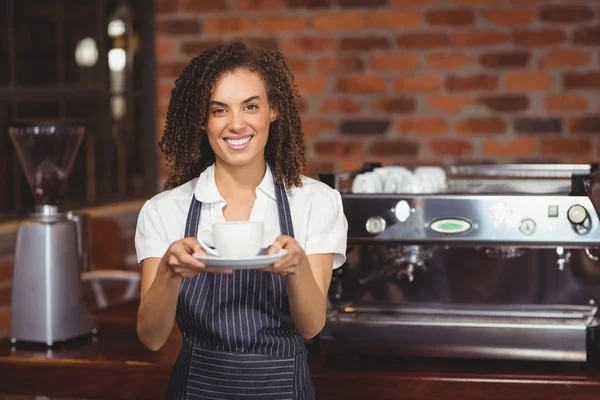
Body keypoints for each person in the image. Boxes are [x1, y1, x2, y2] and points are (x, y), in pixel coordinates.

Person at [134, 41, 348, 399]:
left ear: (273, 110)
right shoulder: (163, 210)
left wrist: (296, 268)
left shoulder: (316, 202)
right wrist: (169, 272)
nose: (236, 124)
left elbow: (311, 327)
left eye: (250, 106)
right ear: (202, 121)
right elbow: (152, 339)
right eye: (219, 110)